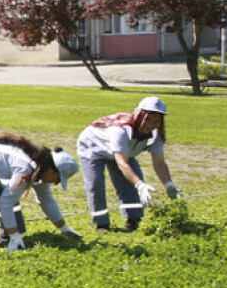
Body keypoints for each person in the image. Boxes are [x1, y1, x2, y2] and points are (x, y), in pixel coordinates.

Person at [76, 96, 179, 232]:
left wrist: (169, 184)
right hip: (93, 146)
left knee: (131, 180)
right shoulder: (121, 130)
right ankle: (102, 224)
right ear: (139, 115)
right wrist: (140, 185)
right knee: (95, 183)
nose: (150, 124)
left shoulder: (156, 135)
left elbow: (159, 163)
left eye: (156, 121)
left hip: (122, 151)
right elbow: (122, 163)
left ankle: (133, 219)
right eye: (147, 119)